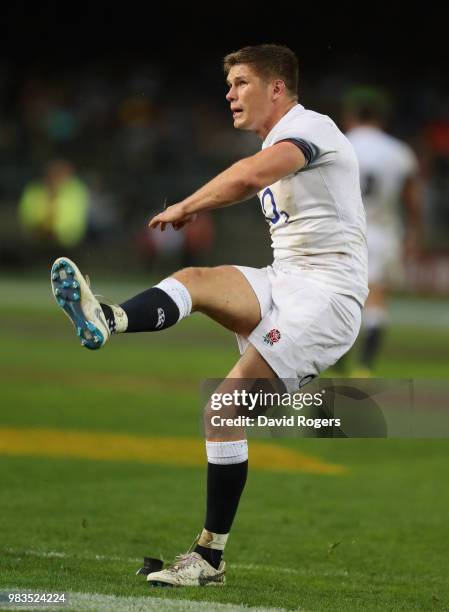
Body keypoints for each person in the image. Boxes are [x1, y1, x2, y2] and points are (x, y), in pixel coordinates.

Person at [51, 45, 368, 586]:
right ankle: (108, 319)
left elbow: (249, 177)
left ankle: (208, 559)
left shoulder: (311, 127)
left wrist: (188, 205)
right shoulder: (282, 134)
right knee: (195, 281)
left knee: (223, 412)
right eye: (229, 84)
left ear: (277, 88)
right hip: (286, 280)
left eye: (241, 82)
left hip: (327, 299)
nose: (230, 93)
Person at [343, 87, 421, 375]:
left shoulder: (339, 144)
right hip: (383, 231)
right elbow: (413, 199)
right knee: (376, 298)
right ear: (381, 117)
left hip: (344, 231)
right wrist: (415, 231)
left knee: (339, 295)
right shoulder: (399, 151)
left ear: (351, 115)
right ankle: (364, 365)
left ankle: (337, 360)